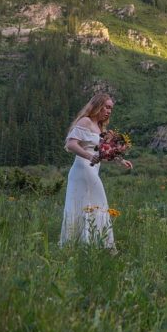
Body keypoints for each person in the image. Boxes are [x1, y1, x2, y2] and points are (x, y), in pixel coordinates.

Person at [60, 93, 133, 248]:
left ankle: (89, 244)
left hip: (92, 169)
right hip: (82, 169)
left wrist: (120, 159)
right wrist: (88, 156)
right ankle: (99, 245)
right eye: (106, 107)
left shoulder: (100, 128)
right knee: (97, 203)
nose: (109, 111)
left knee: (91, 205)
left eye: (111, 108)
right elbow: (71, 144)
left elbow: (102, 154)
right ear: (97, 105)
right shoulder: (85, 121)